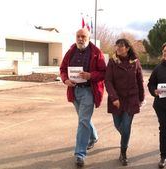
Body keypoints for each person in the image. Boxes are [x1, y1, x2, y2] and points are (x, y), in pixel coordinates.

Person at [60, 28, 106, 167]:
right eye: (78, 36)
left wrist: (91, 75)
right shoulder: (71, 51)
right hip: (74, 91)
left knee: (83, 121)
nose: (80, 39)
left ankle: (80, 154)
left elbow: (104, 72)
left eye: (83, 36)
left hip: (88, 91)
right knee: (83, 119)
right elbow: (62, 69)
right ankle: (93, 137)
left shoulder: (96, 52)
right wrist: (65, 80)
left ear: (88, 37)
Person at [105, 38, 145, 166]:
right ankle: (125, 137)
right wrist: (114, 97)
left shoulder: (135, 62)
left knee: (126, 126)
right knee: (118, 125)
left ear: (127, 48)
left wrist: (141, 98)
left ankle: (123, 153)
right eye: (116, 46)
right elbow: (108, 81)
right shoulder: (112, 62)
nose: (118, 48)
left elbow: (140, 81)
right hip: (116, 99)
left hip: (131, 99)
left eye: (121, 46)